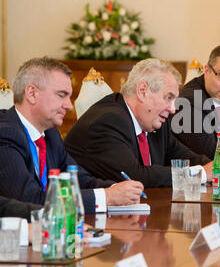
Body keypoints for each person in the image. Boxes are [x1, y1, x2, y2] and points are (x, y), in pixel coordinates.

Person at [0, 57, 144, 214]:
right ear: (32, 93)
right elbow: (30, 199)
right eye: (61, 95)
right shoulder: (5, 134)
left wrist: (115, 188)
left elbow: (78, 180)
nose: (69, 106)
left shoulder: (50, 133)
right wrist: (106, 197)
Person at [64, 58, 212, 187]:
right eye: (168, 97)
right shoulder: (108, 121)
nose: (173, 109)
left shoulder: (155, 121)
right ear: (142, 91)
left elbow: (185, 157)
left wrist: (219, 167)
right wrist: (201, 173)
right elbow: (135, 176)